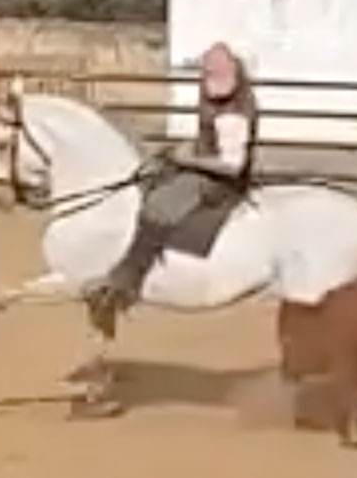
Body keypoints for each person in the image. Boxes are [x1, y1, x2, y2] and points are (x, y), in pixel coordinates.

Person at [83, 41, 260, 338]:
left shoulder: (233, 114)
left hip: (218, 181)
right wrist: (180, 151)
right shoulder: (219, 102)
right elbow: (209, 142)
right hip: (205, 166)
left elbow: (233, 165)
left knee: (159, 206)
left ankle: (127, 282)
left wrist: (187, 158)